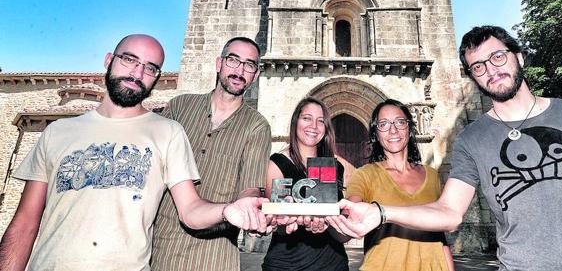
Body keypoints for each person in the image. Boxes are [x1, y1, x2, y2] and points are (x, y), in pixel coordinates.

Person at [329, 25, 562, 271]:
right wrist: (378, 213)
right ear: (471, 75)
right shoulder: (471, 139)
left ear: (520, 58)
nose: (491, 70)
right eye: (478, 66)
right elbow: (449, 212)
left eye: (498, 56)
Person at [0, 34, 268, 271]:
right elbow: (24, 222)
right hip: (152, 249)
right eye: (129, 60)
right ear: (109, 60)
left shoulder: (168, 131)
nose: (137, 73)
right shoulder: (57, 132)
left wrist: (231, 210)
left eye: (149, 68)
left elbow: (192, 208)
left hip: (207, 256)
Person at [151, 36, 272, 271]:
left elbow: (250, 185)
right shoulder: (179, 107)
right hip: (159, 247)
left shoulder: (257, 126)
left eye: (249, 65)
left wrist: (248, 206)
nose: (239, 70)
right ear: (219, 64)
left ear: (255, 75)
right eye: (233, 60)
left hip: (215, 256)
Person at [346, 99, 454, 271]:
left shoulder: (432, 176)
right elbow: (351, 216)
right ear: (376, 134)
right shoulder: (364, 175)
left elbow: (439, 235)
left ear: (409, 128)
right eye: (384, 124)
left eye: (400, 122)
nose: (393, 130)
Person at [262, 97, 349, 271]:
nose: (314, 127)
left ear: (326, 128)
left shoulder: (334, 166)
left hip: (333, 264)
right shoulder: (277, 164)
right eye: (307, 118)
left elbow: (341, 234)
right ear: (296, 122)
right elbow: (277, 223)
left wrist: (332, 223)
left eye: (320, 121)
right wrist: (293, 221)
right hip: (287, 264)